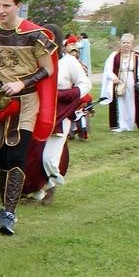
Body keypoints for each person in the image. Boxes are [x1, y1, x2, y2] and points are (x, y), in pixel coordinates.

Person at [0, 0, 57, 236]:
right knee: (0, 156)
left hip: (26, 103)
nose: (1, 10)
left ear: (18, 6)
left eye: (6, 5)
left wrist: (22, 83)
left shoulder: (34, 35)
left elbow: (47, 69)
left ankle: (10, 212)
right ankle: (4, 205)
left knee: (17, 155)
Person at [26, 27, 91, 204]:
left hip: (60, 115)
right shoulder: (35, 59)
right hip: (36, 113)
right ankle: (36, 191)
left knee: (49, 158)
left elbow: (85, 84)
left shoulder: (69, 62)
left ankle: (51, 187)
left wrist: (69, 96)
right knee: (33, 157)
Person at [100, 33, 139, 132]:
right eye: (124, 42)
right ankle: (121, 125)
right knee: (120, 102)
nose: (126, 44)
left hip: (131, 81)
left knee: (131, 103)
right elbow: (107, 69)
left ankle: (129, 125)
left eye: (128, 43)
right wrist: (113, 77)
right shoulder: (114, 55)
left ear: (132, 44)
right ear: (121, 43)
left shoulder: (136, 56)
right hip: (119, 81)